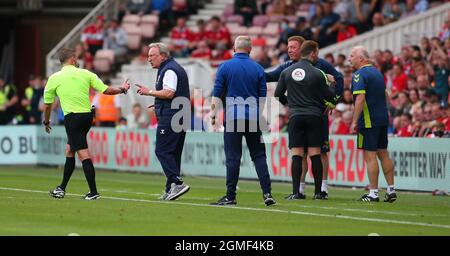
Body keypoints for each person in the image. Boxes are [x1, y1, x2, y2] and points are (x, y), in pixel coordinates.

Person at [45, 48, 130, 200]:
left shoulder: (54, 78)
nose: (77, 60)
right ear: (72, 59)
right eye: (76, 58)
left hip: (73, 118)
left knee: (83, 154)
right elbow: (106, 90)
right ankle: (61, 188)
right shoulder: (86, 73)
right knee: (70, 149)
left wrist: (46, 121)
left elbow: (47, 104)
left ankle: (93, 192)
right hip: (87, 117)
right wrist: (122, 89)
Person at [266, 36, 343, 199]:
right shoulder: (310, 70)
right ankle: (309, 190)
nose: (289, 50)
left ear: (303, 49)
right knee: (314, 152)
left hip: (304, 115)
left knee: (308, 153)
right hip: (314, 114)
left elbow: (340, 79)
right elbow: (270, 76)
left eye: (293, 47)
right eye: (289, 47)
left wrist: (333, 102)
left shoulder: (319, 65)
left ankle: (321, 189)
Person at [209, 35, 276, 206]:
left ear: (234, 48)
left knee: (233, 157)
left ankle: (230, 196)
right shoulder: (258, 69)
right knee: (259, 155)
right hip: (253, 116)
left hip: (233, 116)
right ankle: (267, 193)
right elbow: (262, 98)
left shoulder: (225, 67)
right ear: (250, 49)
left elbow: (217, 93)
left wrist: (213, 114)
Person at [135, 42, 191, 201]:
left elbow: (169, 93)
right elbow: (170, 94)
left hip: (173, 115)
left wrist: (149, 92)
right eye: (148, 56)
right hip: (180, 114)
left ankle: (177, 183)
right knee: (173, 154)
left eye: (152, 55)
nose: (149, 59)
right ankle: (170, 188)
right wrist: (158, 103)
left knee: (162, 150)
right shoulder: (172, 67)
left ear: (163, 56)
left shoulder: (169, 69)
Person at [348, 46, 397, 203]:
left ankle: (373, 193)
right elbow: (385, 95)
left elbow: (360, 99)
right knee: (384, 154)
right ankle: (391, 190)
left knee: (370, 156)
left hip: (369, 121)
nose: (349, 58)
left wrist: (354, 121)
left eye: (352, 55)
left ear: (361, 58)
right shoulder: (377, 73)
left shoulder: (359, 75)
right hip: (383, 118)